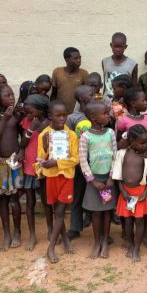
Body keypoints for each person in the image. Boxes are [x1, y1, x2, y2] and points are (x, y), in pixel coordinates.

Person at [37, 100, 80, 263]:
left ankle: (51, 248)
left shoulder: (71, 135)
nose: (62, 118)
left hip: (66, 176)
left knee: (61, 211)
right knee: (57, 212)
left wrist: (57, 163)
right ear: (50, 116)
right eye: (58, 115)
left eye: (64, 115)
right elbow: (41, 158)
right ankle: (66, 240)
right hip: (51, 177)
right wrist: (46, 157)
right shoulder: (44, 135)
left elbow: (75, 159)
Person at [0, 84, 24, 251]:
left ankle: (17, 231)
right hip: (0, 163)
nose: (12, 97)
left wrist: (22, 150)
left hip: (15, 162)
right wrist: (4, 120)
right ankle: (7, 233)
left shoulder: (17, 114)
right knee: (3, 199)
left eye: (12, 94)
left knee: (15, 200)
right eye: (7, 95)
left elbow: (24, 137)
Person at [79, 101, 118, 259]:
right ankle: (97, 243)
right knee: (95, 213)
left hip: (108, 180)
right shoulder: (86, 137)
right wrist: (92, 181)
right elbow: (83, 160)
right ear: (93, 117)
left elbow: (115, 155)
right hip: (94, 181)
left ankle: (105, 242)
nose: (108, 115)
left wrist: (111, 177)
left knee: (107, 212)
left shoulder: (110, 133)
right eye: (105, 113)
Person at [112, 124, 147, 263]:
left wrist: (146, 192)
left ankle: (136, 247)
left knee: (140, 221)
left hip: (140, 194)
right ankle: (130, 243)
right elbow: (118, 176)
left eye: (146, 142)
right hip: (126, 194)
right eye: (142, 143)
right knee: (128, 221)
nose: (145, 146)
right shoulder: (122, 154)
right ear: (131, 141)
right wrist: (123, 192)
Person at [19, 94, 51, 251]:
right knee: (30, 201)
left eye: (31, 112)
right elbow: (23, 143)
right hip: (30, 166)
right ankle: (32, 235)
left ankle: (51, 230)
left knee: (47, 201)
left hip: (45, 166)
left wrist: (40, 126)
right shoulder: (27, 122)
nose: (28, 115)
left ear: (40, 110)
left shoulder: (50, 123)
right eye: (26, 112)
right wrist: (31, 128)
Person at [66, 85, 94, 240]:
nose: (95, 95)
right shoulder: (73, 118)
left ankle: (101, 229)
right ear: (83, 99)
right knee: (77, 194)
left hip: (97, 162)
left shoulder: (98, 111)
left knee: (98, 194)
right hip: (78, 163)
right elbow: (69, 139)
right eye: (91, 94)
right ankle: (75, 227)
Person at [51, 47, 89, 114]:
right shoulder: (57, 72)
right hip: (60, 113)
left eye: (80, 58)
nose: (79, 60)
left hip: (77, 113)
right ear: (67, 60)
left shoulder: (84, 73)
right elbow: (54, 94)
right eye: (75, 58)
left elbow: (87, 95)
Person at [102, 32, 138, 100]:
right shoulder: (105, 62)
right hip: (107, 101)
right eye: (115, 46)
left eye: (120, 47)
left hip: (123, 102)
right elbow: (105, 84)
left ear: (125, 47)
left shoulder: (132, 64)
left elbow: (134, 89)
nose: (118, 49)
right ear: (111, 45)